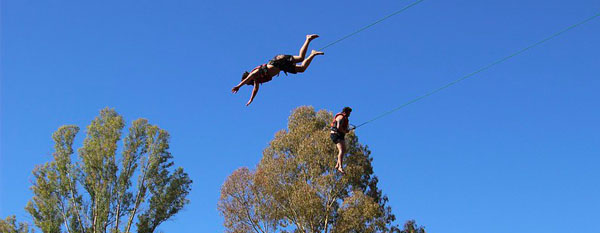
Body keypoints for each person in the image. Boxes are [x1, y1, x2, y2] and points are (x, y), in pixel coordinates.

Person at [231, 34, 324, 106]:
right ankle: (313, 54)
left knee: (300, 58)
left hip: (278, 61)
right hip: (281, 67)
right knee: (302, 69)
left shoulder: (254, 73)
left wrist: (238, 86)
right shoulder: (257, 80)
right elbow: (255, 90)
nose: (249, 84)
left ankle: (308, 39)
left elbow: (247, 79)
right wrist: (251, 100)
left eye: (248, 83)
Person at [330, 107, 353, 174]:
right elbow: (338, 127)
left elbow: (342, 128)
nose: (349, 114)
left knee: (344, 149)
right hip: (336, 135)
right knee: (341, 150)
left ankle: (337, 165)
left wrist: (345, 131)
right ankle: (340, 167)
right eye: (349, 113)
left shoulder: (344, 118)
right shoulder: (341, 117)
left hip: (339, 135)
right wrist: (344, 131)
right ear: (346, 112)